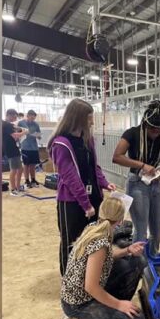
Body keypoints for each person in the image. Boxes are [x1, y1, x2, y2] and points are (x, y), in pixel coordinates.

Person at [48, 98, 117, 275]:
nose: (92, 121)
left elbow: (94, 167)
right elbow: (70, 177)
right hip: (72, 202)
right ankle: (69, 280)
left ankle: (88, 279)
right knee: (71, 241)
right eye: (89, 117)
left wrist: (104, 182)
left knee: (92, 239)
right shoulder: (61, 144)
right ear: (77, 118)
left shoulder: (88, 139)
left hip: (93, 197)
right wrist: (85, 204)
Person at [60, 197, 147, 319]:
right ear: (120, 220)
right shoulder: (100, 243)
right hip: (78, 304)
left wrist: (128, 250)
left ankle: (113, 305)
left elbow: (106, 257)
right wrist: (119, 305)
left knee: (136, 262)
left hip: (84, 294)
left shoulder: (94, 227)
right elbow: (91, 287)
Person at [112, 100, 160, 254]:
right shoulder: (132, 134)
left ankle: (152, 259)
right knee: (141, 230)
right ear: (145, 124)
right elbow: (117, 157)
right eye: (152, 129)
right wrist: (142, 165)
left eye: (159, 129)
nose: (156, 132)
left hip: (155, 185)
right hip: (137, 183)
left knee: (157, 230)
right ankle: (138, 264)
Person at [2, 108, 25, 196]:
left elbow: (15, 132)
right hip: (10, 149)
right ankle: (13, 189)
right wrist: (25, 132)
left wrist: (19, 129)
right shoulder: (7, 125)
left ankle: (18, 187)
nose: (15, 118)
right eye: (14, 116)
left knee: (20, 168)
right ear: (9, 115)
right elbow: (15, 136)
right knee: (14, 169)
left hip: (13, 148)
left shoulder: (9, 125)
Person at [18, 109, 42, 188]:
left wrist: (38, 136)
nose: (32, 119)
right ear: (27, 116)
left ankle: (33, 179)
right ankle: (27, 180)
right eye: (31, 117)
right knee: (26, 165)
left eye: (34, 118)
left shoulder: (36, 124)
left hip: (34, 148)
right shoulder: (21, 123)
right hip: (25, 147)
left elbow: (39, 136)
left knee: (33, 164)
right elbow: (18, 134)